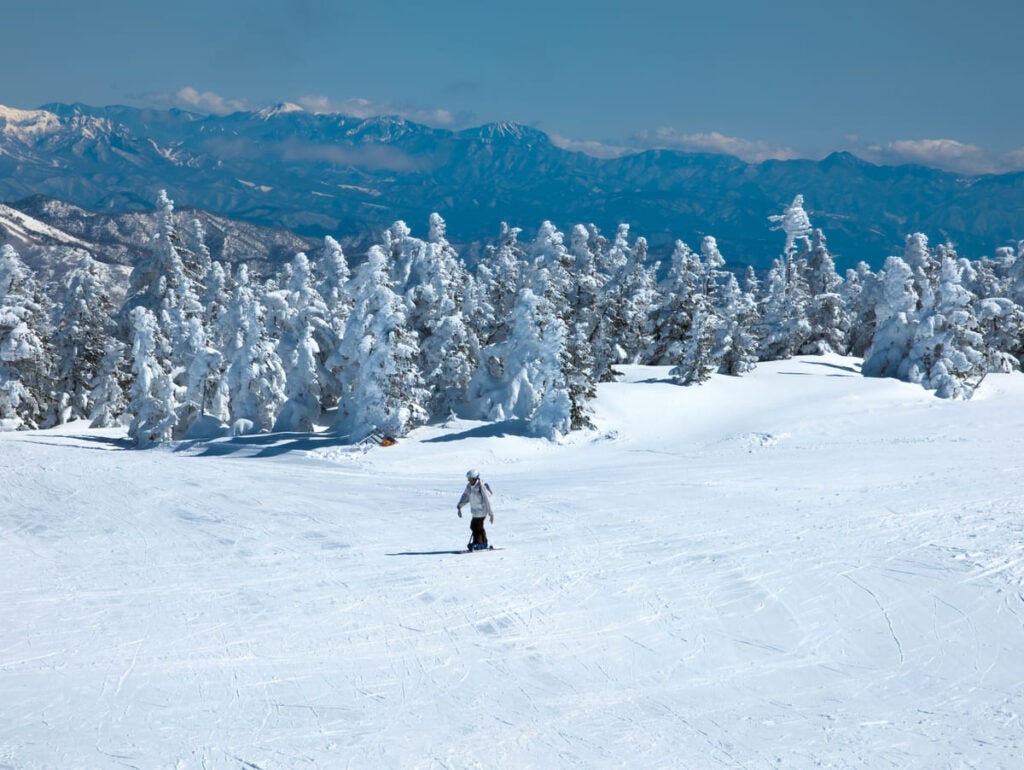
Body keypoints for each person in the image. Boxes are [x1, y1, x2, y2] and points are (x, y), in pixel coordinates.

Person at [457, 469, 494, 550]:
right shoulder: (469, 487)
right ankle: (482, 542)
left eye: (471, 479)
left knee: (476, 527)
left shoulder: (481, 486)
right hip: (475, 512)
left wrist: (491, 514)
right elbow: (465, 497)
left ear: (475, 478)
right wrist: (460, 505)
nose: (469, 481)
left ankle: (480, 543)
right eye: (468, 479)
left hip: (482, 511)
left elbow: (488, 500)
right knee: (476, 527)